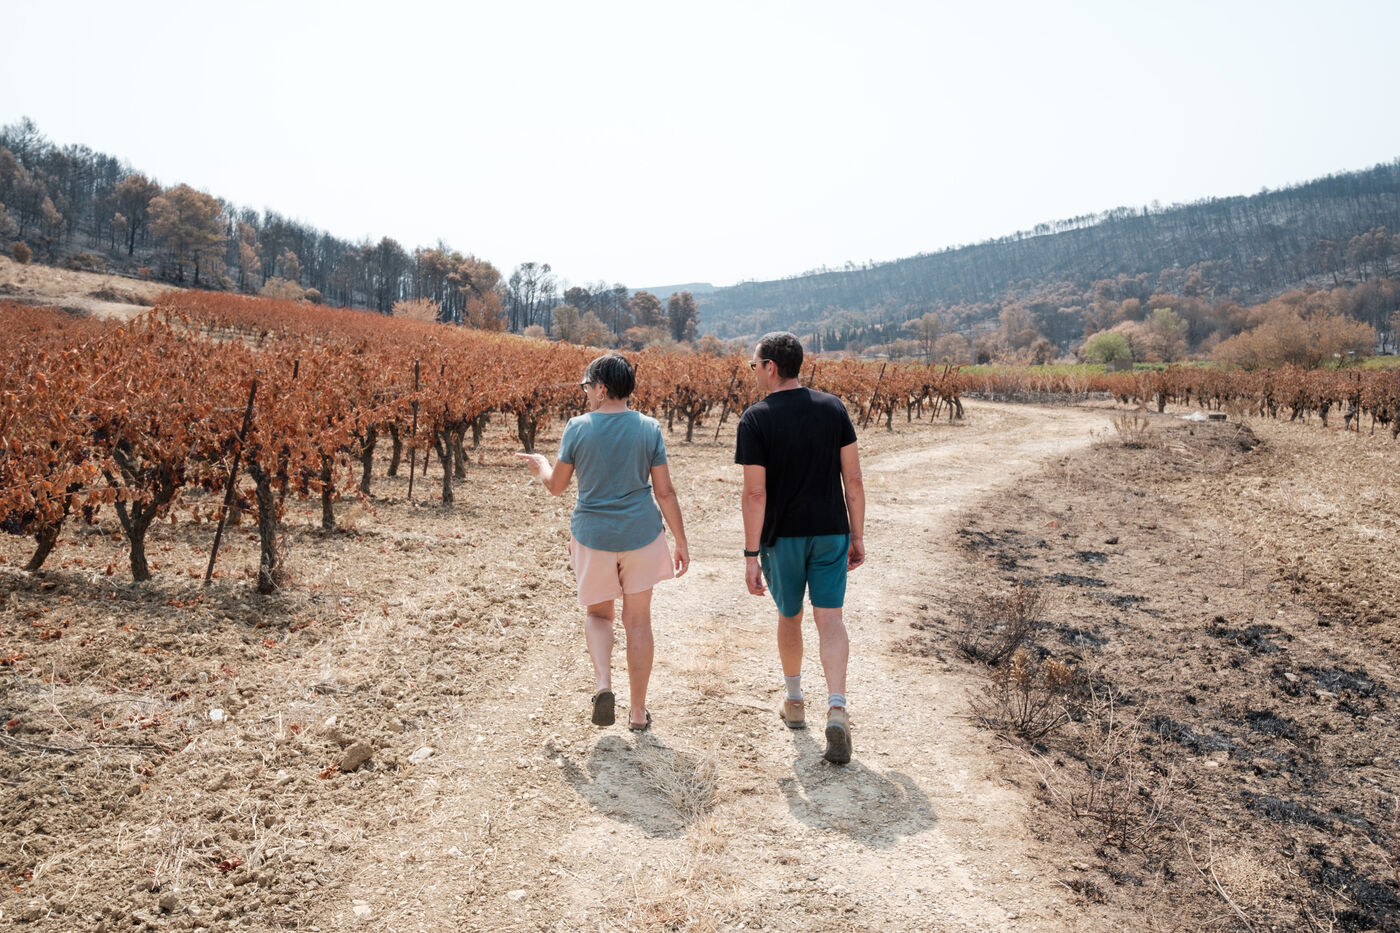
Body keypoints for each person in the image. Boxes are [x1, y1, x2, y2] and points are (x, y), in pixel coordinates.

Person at [516, 352, 689, 732]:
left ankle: (603, 685)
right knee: (638, 620)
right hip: (642, 535)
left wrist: (541, 465)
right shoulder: (649, 428)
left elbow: (556, 487)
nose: (585, 393)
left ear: (602, 388)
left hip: (593, 537)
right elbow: (665, 491)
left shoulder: (578, 428)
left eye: (587, 386)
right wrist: (680, 541)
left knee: (598, 615)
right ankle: (638, 713)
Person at [735, 332, 865, 764]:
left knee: (789, 615)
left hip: (782, 538)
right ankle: (837, 707)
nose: (754, 372)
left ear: (770, 367)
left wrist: (750, 555)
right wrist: (857, 535)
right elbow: (853, 480)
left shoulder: (755, 419)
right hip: (831, 531)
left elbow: (755, 494)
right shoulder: (834, 408)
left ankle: (794, 702)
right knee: (831, 619)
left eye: (754, 365)